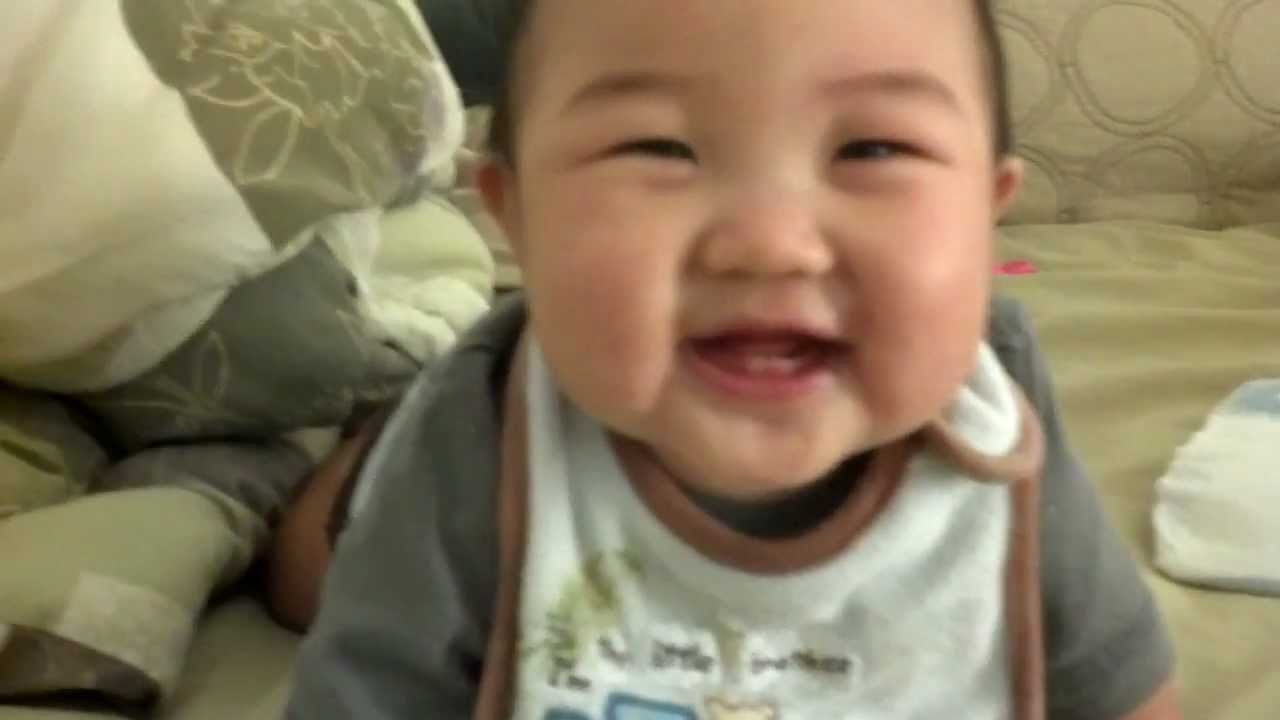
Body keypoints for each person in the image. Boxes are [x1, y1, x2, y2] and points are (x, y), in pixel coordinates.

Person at [285, 0, 1181, 717]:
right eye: (658, 147)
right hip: (436, 482)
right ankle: (339, 460)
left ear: (987, 212)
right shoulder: (486, 426)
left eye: (872, 149)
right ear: (514, 214)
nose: (768, 244)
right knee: (306, 569)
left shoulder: (997, 429)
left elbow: (1119, 687)